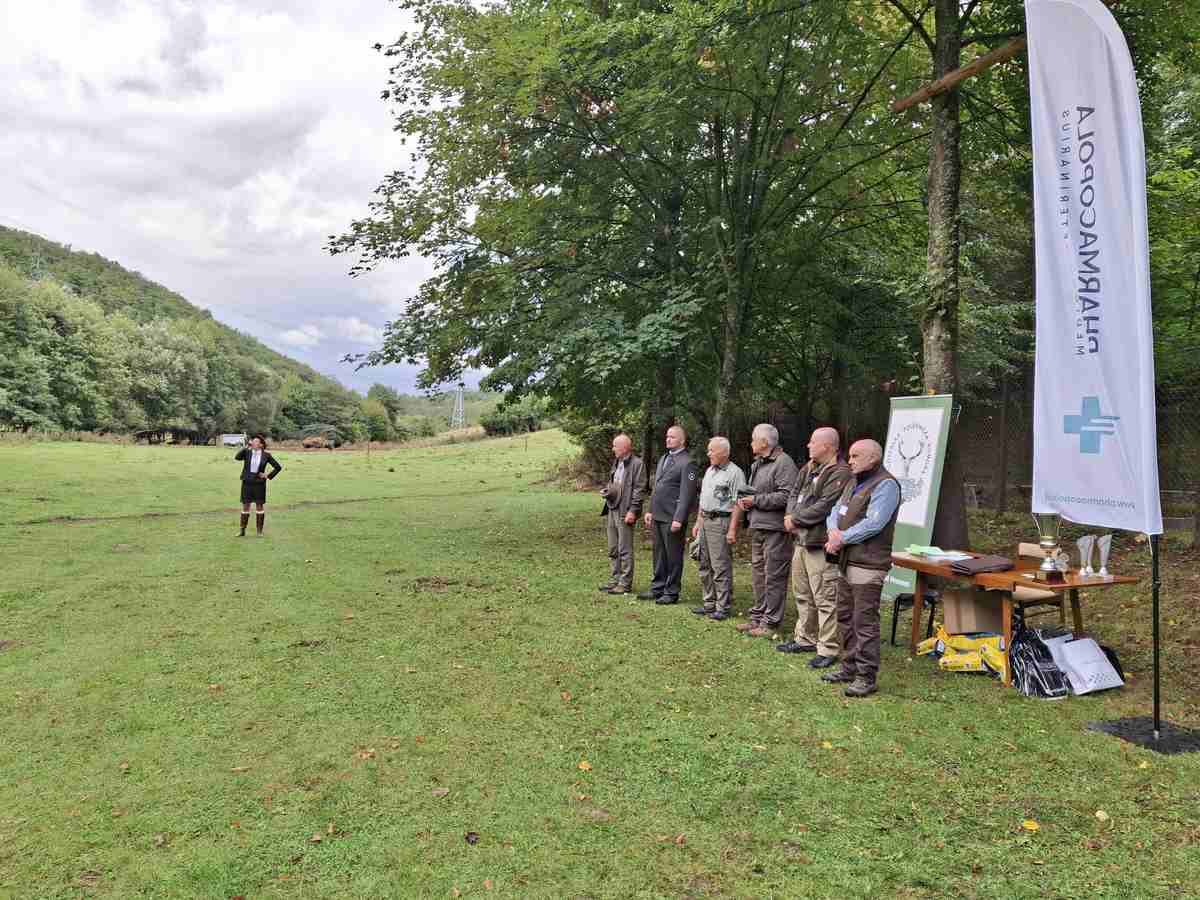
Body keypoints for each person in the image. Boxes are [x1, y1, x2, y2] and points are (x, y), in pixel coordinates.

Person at [821, 439, 900, 697]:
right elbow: (835, 511)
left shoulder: (886, 485)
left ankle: (866, 677)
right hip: (846, 560)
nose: (850, 460)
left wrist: (841, 538)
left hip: (868, 564)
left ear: (873, 458)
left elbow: (875, 523)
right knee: (845, 617)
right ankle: (849, 668)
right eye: (850, 455)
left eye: (856, 456)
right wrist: (833, 532)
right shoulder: (854, 481)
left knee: (864, 621)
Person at [777, 427, 851, 668]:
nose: (808, 445)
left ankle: (828, 648)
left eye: (812, 442)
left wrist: (796, 519)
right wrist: (789, 516)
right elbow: (794, 493)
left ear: (827, 446)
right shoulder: (808, 468)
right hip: (801, 540)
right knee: (802, 593)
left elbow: (825, 505)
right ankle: (805, 638)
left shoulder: (840, 472)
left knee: (824, 596)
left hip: (819, 543)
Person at [735, 424, 798, 637]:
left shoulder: (783, 462)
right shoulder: (758, 464)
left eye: (754, 439)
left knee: (774, 576)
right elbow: (757, 493)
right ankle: (757, 618)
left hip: (776, 529)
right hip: (758, 526)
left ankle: (770, 623)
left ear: (764, 442)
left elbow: (787, 496)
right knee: (759, 575)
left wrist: (755, 500)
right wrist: (746, 501)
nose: (751, 443)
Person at [640, 425, 697, 605]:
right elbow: (657, 487)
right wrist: (650, 509)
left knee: (673, 556)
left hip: (672, 517)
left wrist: (679, 519)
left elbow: (687, 494)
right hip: (658, 514)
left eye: (672, 437)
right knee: (659, 554)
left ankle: (671, 592)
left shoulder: (687, 462)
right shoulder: (664, 458)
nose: (668, 439)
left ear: (682, 440)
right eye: (667, 436)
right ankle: (658, 588)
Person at [690, 436, 746, 620]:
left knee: (720, 565)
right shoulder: (709, 471)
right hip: (705, 520)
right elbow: (704, 499)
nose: (708, 453)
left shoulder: (735, 473)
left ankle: (723, 606)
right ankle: (709, 603)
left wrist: (732, 529)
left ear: (724, 452)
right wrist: (698, 522)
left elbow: (739, 503)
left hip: (721, 522)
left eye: (712, 450)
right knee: (704, 563)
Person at [598, 434, 646, 596]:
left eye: (615, 446)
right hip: (612, 508)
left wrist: (633, 510)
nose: (613, 449)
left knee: (624, 548)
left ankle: (625, 583)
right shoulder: (617, 462)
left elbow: (639, 489)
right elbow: (616, 483)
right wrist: (608, 491)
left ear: (625, 447)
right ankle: (615, 579)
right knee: (613, 547)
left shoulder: (637, 464)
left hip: (625, 510)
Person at [235, 434, 282, 536]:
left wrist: (267, 475)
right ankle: (242, 530)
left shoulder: (266, 455)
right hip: (247, 482)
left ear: (261, 445)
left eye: (255, 441)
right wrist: (246, 447)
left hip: (259, 484)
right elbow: (237, 457)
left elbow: (278, 467)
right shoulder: (247, 452)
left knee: (259, 506)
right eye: (253, 441)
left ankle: (259, 531)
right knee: (245, 506)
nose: (253, 442)